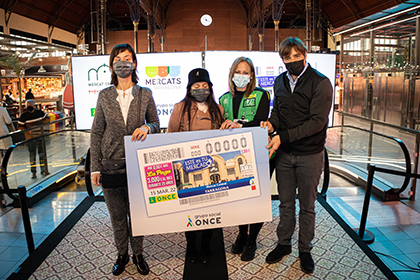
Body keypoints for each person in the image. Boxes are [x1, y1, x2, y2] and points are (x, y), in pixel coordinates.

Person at [261, 37, 332, 274]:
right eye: (286, 57)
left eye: (295, 56)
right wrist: (270, 125)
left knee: (308, 205)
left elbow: (316, 122)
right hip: (284, 155)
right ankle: (283, 244)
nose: (291, 61)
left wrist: (283, 137)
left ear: (304, 55)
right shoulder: (279, 81)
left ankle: (305, 249)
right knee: (285, 203)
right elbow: (278, 113)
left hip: (310, 154)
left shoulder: (321, 83)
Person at [90, 43, 160, 276]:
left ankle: (138, 253)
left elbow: (156, 125)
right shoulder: (104, 96)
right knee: (117, 215)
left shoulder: (145, 94)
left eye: (127, 58)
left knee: (137, 214)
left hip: (138, 163)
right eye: (118, 59)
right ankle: (122, 254)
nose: (122, 63)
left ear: (134, 63)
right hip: (110, 164)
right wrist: (94, 168)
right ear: (112, 65)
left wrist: (147, 127)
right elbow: (97, 132)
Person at [167, 68, 224, 263]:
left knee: (209, 208)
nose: (201, 89)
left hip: (210, 168)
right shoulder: (179, 108)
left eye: (204, 85)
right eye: (196, 86)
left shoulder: (219, 110)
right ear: (189, 89)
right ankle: (191, 244)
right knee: (188, 209)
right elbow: (171, 136)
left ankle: (206, 244)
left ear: (210, 87)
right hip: (187, 169)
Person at [219, 57, 270, 261]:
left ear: (251, 76)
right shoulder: (223, 99)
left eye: (245, 72)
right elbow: (219, 123)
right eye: (238, 72)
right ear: (232, 74)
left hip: (256, 153)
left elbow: (262, 122)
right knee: (240, 198)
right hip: (234, 157)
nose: (241, 76)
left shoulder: (261, 95)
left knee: (256, 199)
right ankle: (242, 234)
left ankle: (252, 240)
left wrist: (241, 126)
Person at [17, 100, 50, 179]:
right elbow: (20, 126)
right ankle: (34, 172)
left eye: (31, 105)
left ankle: (43, 169)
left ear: (34, 106)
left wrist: (43, 126)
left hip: (40, 136)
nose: (29, 106)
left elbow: (47, 119)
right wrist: (28, 131)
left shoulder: (39, 113)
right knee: (32, 155)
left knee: (42, 153)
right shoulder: (23, 116)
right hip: (30, 138)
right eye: (28, 105)